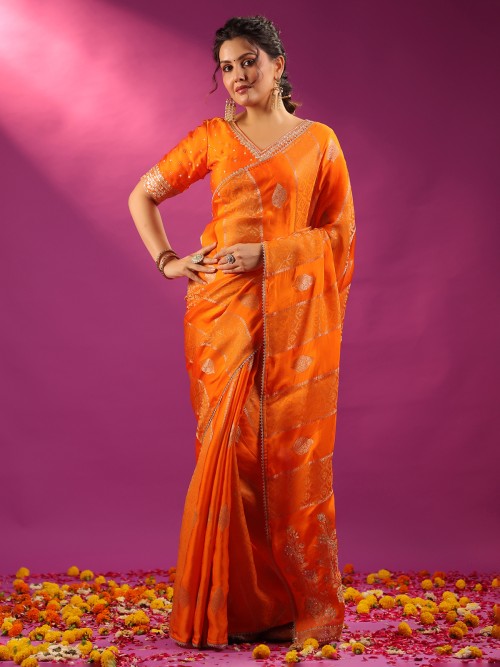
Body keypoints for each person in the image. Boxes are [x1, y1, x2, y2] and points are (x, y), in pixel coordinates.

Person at [128, 15, 356, 651]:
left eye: (249, 60)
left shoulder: (320, 143)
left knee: (279, 454)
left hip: (290, 314)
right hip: (219, 315)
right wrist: (168, 260)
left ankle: (282, 605)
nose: (237, 75)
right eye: (226, 67)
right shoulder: (212, 137)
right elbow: (142, 195)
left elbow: (339, 237)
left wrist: (269, 255)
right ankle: (225, 608)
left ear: (278, 64)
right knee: (229, 455)